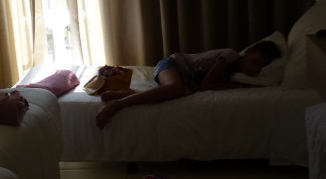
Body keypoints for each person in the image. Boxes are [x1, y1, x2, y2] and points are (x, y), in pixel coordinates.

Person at [95, 41, 281, 129]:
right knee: (175, 88)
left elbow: (208, 85)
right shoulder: (230, 55)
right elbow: (208, 84)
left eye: (260, 68)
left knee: (180, 93)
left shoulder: (232, 75)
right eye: (256, 62)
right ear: (248, 51)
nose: (255, 70)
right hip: (172, 64)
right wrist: (243, 87)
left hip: (182, 79)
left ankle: (128, 93)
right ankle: (118, 105)